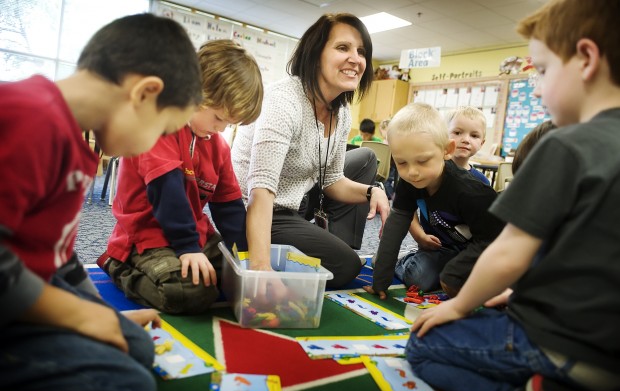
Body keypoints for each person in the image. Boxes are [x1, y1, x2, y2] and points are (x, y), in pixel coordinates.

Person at [407, 1, 620, 391]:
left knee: (422, 345)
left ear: (586, 59)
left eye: (541, 71)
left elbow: (508, 253)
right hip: (611, 351)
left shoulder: (563, 146)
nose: (536, 88)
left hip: (559, 345)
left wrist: (456, 306)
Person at [0, 13, 203, 391]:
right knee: (125, 383)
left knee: (135, 345)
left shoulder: (74, 140)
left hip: (30, 281)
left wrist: (102, 315)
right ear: (144, 93)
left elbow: (58, 257)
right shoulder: (30, 117)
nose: (155, 143)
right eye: (162, 130)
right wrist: (78, 315)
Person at [98, 40, 263, 315]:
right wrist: (188, 248)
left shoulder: (217, 145)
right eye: (219, 118)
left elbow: (229, 208)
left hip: (194, 236)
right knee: (191, 292)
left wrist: (247, 261)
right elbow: (168, 191)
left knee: (237, 278)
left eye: (229, 124)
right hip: (145, 239)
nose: (220, 129)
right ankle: (118, 265)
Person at [231, 13, 390, 288]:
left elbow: (332, 181)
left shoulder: (340, 111)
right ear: (316, 54)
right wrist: (260, 267)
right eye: (343, 48)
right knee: (344, 266)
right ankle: (250, 257)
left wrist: (372, 190)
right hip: (258, 209)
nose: (356, 59)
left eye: (361, 51)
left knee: (364, 159)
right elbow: (261, 190)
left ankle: (332, 242)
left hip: (296, 200)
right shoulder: (283, 101)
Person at [363, 103, 504, 299]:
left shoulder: (473, 192)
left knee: (462, 281)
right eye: (402, 162)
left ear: (447, 150)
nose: (412, 172)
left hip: (483, 251)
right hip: (440, 250)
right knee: (416, 277)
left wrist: (456, 271)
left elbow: (495, 242)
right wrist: (380, 281)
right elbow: (395, 227)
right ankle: (410, 262)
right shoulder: (409, 181)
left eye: (422, 161)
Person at [408, 106, 490, 250]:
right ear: (443, 135)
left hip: (464, 251)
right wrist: (419, 236)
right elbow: (406, 207)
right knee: (425, 272)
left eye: (474, 136)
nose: (465, 139)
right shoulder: (429, 172)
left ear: (482, 143)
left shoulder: (481, 182)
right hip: (431, 249)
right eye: (457, 132)